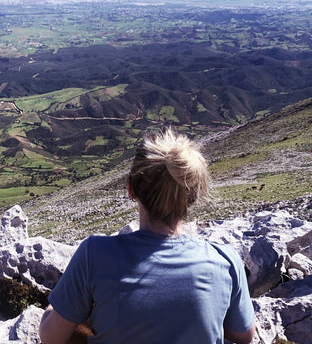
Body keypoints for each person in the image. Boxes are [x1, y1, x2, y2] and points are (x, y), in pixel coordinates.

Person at [39, 129, 256, 344]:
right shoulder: (225, 261)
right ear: (193, 197)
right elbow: (244, 335)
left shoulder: (94, 254)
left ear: (131, 189)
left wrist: (59, 307)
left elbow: (51, 337)